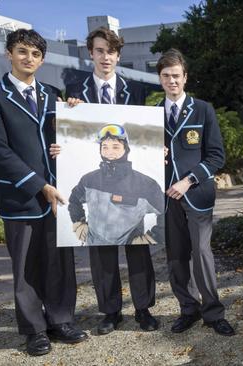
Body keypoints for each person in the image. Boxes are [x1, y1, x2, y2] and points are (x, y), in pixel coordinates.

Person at [0, 28, 87, 356]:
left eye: (36, 54)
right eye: (22, 51)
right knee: (25, 266)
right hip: (22, 194)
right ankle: (34, 329)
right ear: (9, 54)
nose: (29, 58)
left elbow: (72, 140)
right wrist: (39, 185)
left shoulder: (54, 93)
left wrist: (77, 114)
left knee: (59, 261)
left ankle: (60, 319)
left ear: (42, 59)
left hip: (61, 193)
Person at [65, 27, 157, 334]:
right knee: (101, 253)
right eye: (100, 50)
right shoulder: (73, 90)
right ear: (90, 53)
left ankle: (143, 309)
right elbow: (64, 133)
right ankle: (110, 312)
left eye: (112, 51)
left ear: (118, 55)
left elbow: (148, 133)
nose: (106, 57)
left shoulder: (136, 90)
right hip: (101, 181)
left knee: (139, 250)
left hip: (130, 179)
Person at [155, 49, 234, 336]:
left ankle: (213, 313)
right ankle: (188, 309)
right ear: (160, 79)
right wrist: (153, 154)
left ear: (185, 77)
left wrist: (188, 180)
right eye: (166, 76)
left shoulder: (203, 109)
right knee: (176, 256)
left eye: (176, 75)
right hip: (164, 197)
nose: (172, 81)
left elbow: (216, 156)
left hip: (196, 194)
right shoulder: (150, 114)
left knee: (201, 253)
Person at [67, 124, 164, 247]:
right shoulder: (89, 180)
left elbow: (166, 211)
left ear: (126, 149)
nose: (109, 152)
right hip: (94, 247)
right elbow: (74, 201)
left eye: (116, 147)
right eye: (105, 147)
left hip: (131, 251)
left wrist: (152, 238)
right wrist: (78, 223)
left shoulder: (146, 185)